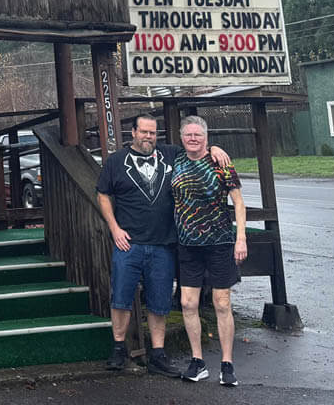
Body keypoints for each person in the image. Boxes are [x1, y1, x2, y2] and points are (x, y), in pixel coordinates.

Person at [96, 114, 230, 376]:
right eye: (144, 132)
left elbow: (196, 148)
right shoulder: (115, 162)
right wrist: (114, 228)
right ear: (132, 132)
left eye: (153, 133)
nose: (148, 137)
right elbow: (102, 194)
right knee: (121, 298)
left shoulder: (171, 155)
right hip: (129, 243)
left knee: (159, 301)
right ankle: (119, 348)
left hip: (164, 243)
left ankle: (158, 354)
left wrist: (214, 148)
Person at [171, 115, 247, 387]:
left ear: (206, 137)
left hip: (220, 242)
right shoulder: (175, 160)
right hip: (188, 244)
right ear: (181, 137)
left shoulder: (220, 164)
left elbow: (238, 203)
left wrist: (241, 238)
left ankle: (227, 364)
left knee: (222, 303)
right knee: (187, 303)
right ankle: (198, 361)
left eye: (198, 135)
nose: (193, 139)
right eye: (188, 135)